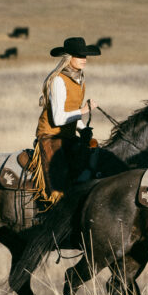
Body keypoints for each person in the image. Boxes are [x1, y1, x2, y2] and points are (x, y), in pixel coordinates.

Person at [31, 36, 100, 203]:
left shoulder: (79, 80)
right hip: (50, 136)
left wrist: (83, 129)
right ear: (69, 58)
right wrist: (83, 110)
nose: (84, 59)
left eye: (85, 56)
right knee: (58, 186)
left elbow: (71, 112)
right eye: (79, 56)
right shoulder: (58, 81)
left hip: (67, 136)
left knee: (94, 157)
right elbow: (59, 118)